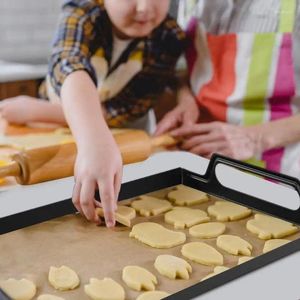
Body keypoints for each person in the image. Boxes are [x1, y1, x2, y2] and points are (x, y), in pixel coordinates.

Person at [0, 0, 186, 226]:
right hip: (62, 136)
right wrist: (94, 139)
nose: (144, 7)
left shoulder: (170, 37)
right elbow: (69, 63)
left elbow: (122, 111)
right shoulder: (82, 13)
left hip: (122, 140)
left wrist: (37, 111)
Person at [156, 0, 300, 178]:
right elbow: (183, 67)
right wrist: (186, 98)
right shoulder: (188, 3)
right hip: (200, 158)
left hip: (279, 171)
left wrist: (254, 138)